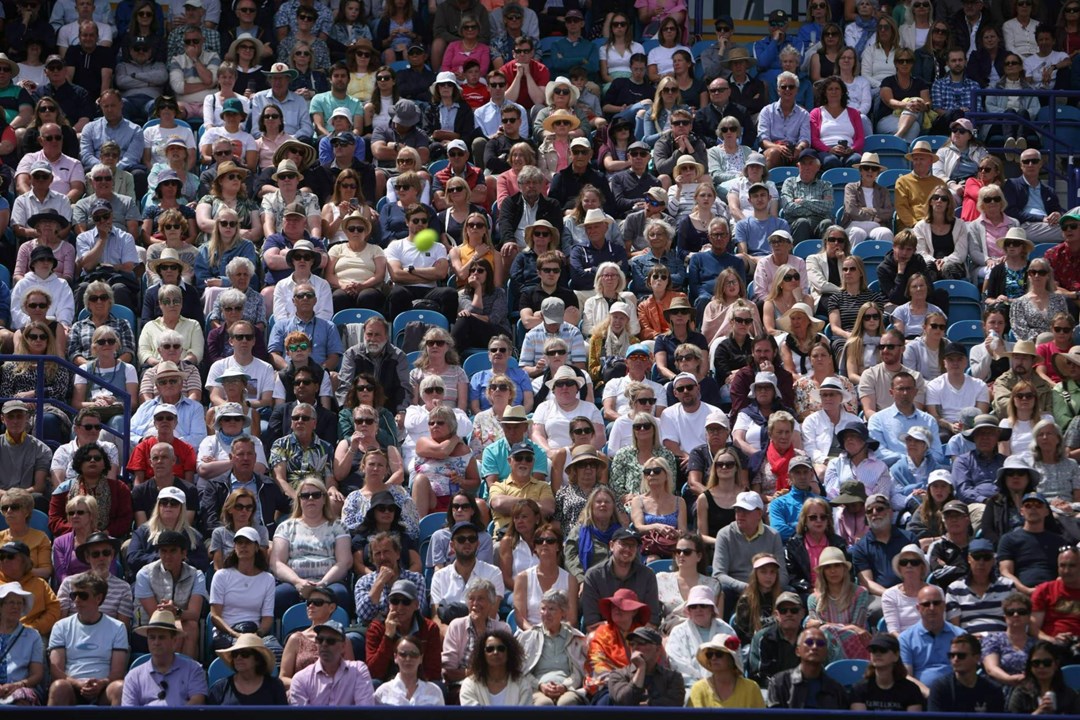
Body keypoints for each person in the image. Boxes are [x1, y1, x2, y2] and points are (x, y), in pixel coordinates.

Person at [46, 572, 128, 706]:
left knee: (120, 688)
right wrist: (78, 683)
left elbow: (118, 672)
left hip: (104, 689)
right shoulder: (61, 626)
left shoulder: (117, 628)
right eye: (74, 595)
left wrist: (101, 683)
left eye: (83, 596)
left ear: (98, 598)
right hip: (71, 688)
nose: (77, 600)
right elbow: (56, 671)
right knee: (59, 686)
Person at [120, 609, 207, 706]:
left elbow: (197, 702)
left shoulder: (194, 670)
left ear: (174, 641)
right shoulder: (133, 677)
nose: (156, 642)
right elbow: (129, 714)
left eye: (161, 637)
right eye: (152, 637)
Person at [288, 619, 374, 706]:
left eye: (330, 641)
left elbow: (365, 712)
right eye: (320, 640)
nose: (324, 644)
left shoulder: (358, 671)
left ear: (343, 646)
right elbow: (302, 716)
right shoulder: (301, 679)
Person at [899, 585, 965, 695]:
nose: (932, 608)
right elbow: (906, 676)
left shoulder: (960, 635)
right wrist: (930, 694)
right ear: (918, 608)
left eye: (936, 603)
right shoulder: (906, 638)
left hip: (957, 696)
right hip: (921, 698)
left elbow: (967, 671)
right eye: (926, 604)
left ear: (944, 606)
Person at [766, 625, 847, 708]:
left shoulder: (837, 690)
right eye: (809, 642)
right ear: (798, 651)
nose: (815, 647)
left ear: (826, 652)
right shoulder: (780, 683)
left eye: (820, 643)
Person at [927, 633, 1006, 711]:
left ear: (977, 658)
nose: (955, 659)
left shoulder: (992, 690)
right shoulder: (940, 688)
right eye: (951, 655)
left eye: (961, 655)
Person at [849, 633, 926, 711]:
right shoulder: (859, 689)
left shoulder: (911, 690)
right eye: (873, 650)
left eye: (883, 650)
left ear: (896, 656)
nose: (877, 654)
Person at [687, 632, 765, 708]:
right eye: (709, 655)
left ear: (731, 658)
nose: (713, 658)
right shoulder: (699, 689)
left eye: (719, 654)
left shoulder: (751, 688)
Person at [208, 634, 288, 705]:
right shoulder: (220, 688)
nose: (238, 658)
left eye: (244, 654)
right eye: (235, 654)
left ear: (258, 659)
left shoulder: (275, 686)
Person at [1004, 149, 1064, 244]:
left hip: (1047, 226)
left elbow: (1057, 208)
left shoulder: (1048, 190)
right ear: (1021, 165)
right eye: (1026, 162)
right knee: (1072, 229)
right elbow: (1011, 211)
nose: (1030, 164)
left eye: (1034, 161)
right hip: (1024, 226)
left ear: (1040, 164)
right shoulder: (1012, 184)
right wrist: (1041, 218)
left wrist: (1057, 214)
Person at [1008, 639, 1080, 714]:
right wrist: (1038, 713)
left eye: (1047, 663)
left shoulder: (1070, 695)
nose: (1041, 667)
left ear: (1056, 664)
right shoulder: (1021, 693)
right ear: (1030, 666)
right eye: (1036, 663)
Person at [373, 634, 445, 706]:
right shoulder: (383, 692)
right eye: (403, 654)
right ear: (395, 657)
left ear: (421, 658)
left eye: (413, 654)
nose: (408, 659)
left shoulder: (434, 691)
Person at [1031, 545, 1080, 645]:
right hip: (1051, 647)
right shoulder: (1045, 590)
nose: (1066, 571)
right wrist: (1052, 640)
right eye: (1062, 565)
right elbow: (1033, 628)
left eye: (1072, 565)